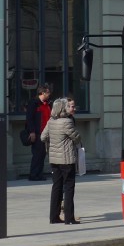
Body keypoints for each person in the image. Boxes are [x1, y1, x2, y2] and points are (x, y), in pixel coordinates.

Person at [41, 96, 82, 225]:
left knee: (56, 187)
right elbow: (77, 138)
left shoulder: (51, 121)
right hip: (66, 159)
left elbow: (43, 137)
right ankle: (69, 218)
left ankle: (54, 217)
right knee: (69, 187)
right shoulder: (67, 122)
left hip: (54, 159)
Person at [24, 84, 52, 180]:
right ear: (43, 93)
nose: (49, 94)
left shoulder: (48, 104)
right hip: (37, 133)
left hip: (46, 133)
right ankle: (33, 175)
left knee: (43, 154)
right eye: (48, 92)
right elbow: (29, 118)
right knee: (37, 154)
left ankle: (39, 174)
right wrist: (32, 132)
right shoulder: (34, 103)